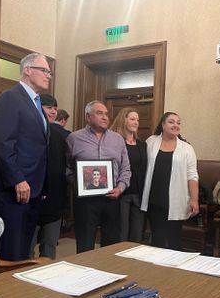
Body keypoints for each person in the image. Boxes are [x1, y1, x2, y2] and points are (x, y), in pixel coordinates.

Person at [0, 52, 51, 260]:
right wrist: (18, 179)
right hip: (13, 189)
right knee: (11, 253)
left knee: (24, 252)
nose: (48, 75)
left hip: (33, 189)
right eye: (44, 70)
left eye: (49, 72)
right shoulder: (10, 98)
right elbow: (3, 143)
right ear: (27, 70)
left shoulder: (37, 103)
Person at [66, 100, 131, 253]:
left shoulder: (117, 139)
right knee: (85, 244)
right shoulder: (74, 138)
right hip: (85, 201)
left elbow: (126, 168)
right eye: (99, 113)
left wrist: (120, 188)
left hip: (112, 198)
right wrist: (79, 184)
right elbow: (68, 168)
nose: (105, 117)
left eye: (106, 114)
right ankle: (85, 275)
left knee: (111, 245)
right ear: (88, 117)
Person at [141, 112, 199, 250]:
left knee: (174, 241)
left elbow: (192, 175)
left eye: (178, 123)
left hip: (176, 201)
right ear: (163, 124)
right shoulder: (151, 141)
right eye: (171, 122)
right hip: (154, 200)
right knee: (157, 240)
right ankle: (156, 270)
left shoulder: (187, 148)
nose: (176, 125)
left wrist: (194, 199)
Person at [30, 94, 70, 259]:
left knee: (50, 245)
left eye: (55, 108)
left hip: (55, 195)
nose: (53, 111)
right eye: (49, 108)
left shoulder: (65, 135)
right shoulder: (29, 130)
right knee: (27, 245)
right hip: (32, 196)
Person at [110, 107, 147, 243]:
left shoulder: (143, 145)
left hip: (138, 195)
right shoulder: (114, 143)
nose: (136, 122)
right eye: (132, 119)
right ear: (123, 120)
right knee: (121, 234)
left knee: (136, 235)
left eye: (137, 120)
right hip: (121, 194)